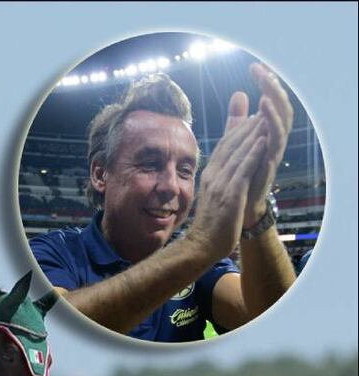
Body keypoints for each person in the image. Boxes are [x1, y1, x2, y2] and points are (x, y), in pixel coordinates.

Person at [29, 66, 296, 342]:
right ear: (100, 174)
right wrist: (198, 247)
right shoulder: (52, 252)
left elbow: (270, 319)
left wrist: (254, 211)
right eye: (150, 164)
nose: (171, 186)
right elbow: (51, 330)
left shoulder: (202, 267)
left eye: (185, 171)